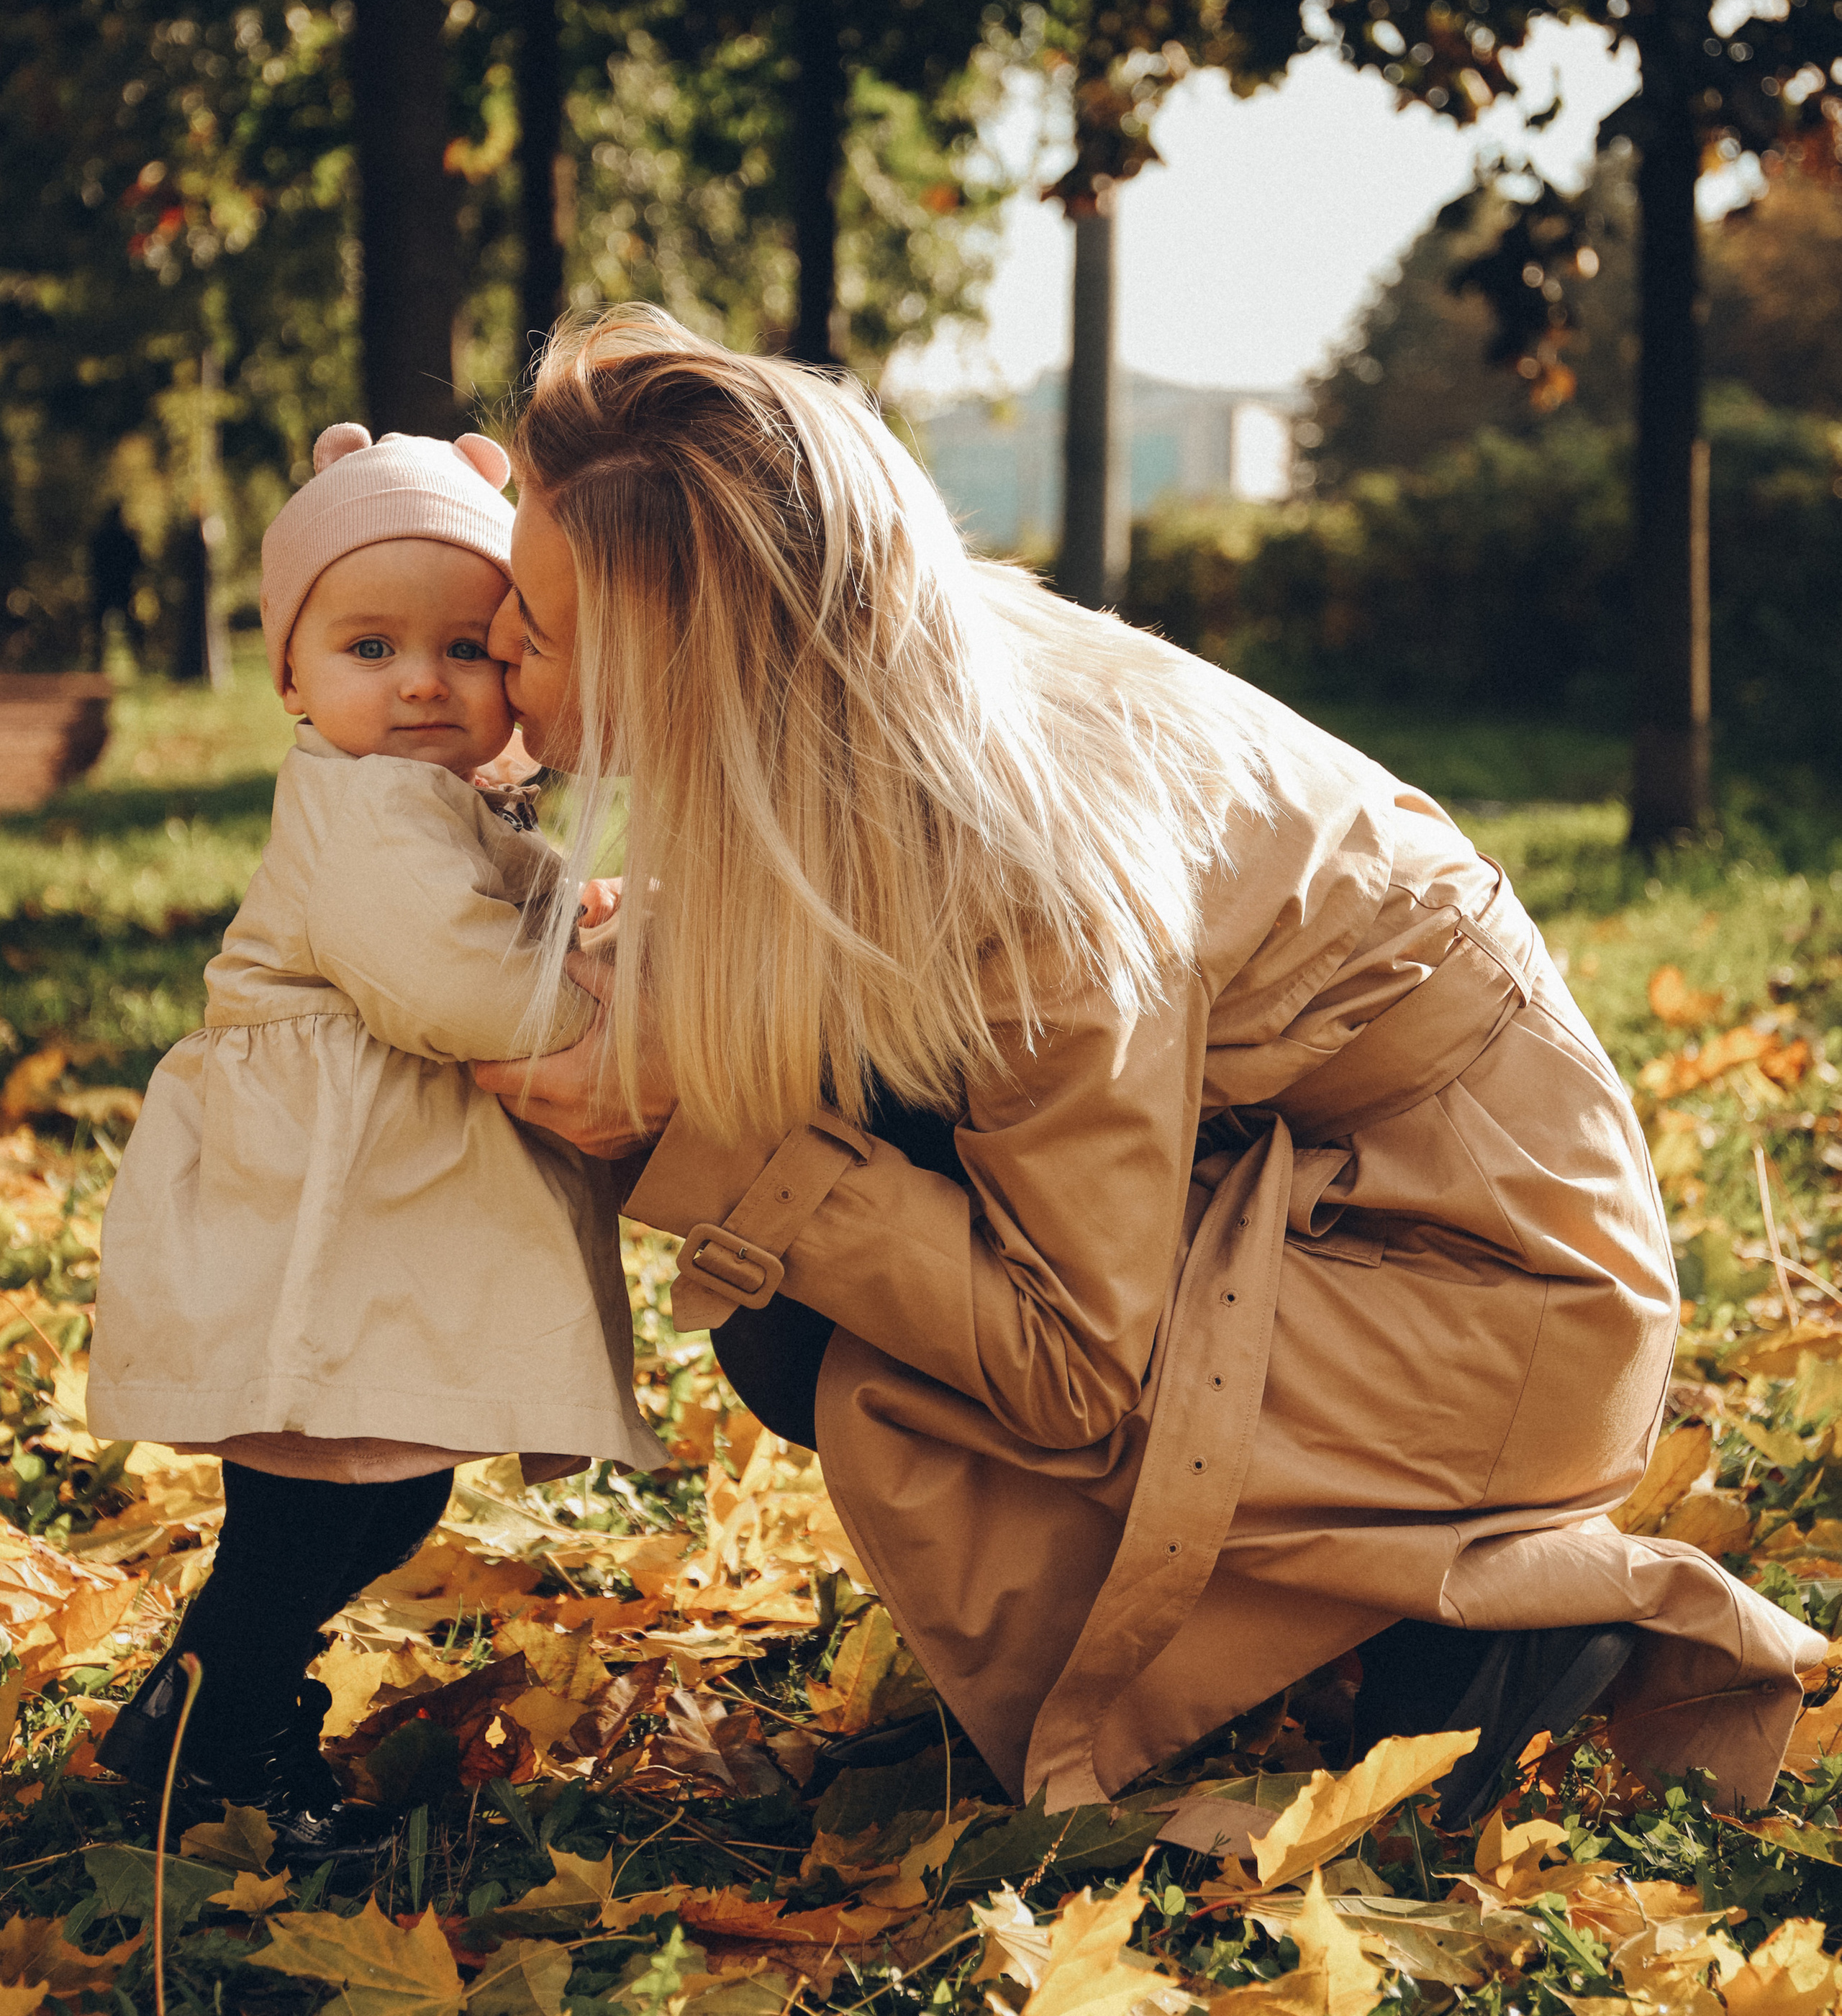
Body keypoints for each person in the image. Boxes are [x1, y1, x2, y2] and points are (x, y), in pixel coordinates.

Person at [476, 305, 1824, 1831]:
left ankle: (1478, 1626)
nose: (494, 646)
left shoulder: (1020, 870)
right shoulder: (880, 693)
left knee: (826, 1328)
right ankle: (1305, 1650)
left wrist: (716, 1143)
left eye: (527, 622)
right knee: (823, 1261)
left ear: (683, 664)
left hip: (1483, 1307)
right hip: (1354, 1222)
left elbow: (1070, 1366)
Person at [89, 424, 662, 1864]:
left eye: (467, 646)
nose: (421, 678)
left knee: (385, 1499)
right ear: (291, 674)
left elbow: (514, 906)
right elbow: (456, 978)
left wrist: (589, 912)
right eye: (367, 645)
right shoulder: (358, 815)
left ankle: (201, 1708)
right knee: (303, 1521)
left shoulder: (437, 805)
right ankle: (210, 1751)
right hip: (311, 1238)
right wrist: (607, 981)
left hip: (361, 1235)